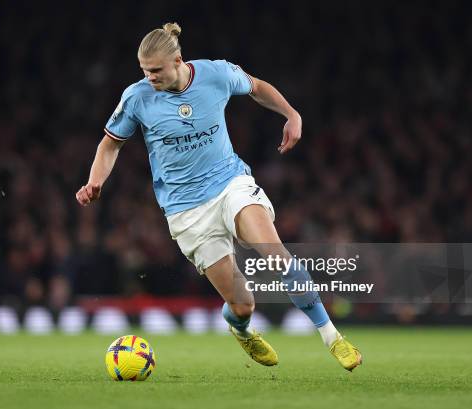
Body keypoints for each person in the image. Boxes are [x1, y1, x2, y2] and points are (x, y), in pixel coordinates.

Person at [76, 22, 362, 371]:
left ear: (178, 60)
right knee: (243, 304)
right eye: (143, 70)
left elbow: (256, 87)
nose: (149, 77)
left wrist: (291, 113)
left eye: (155, 70)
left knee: (276, 255)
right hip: (186, 210)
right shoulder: (137, 97)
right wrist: (95, 181)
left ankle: (332, 337)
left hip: (230, 184)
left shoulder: (216, 74)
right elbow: (110, 144)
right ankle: (240, 328)